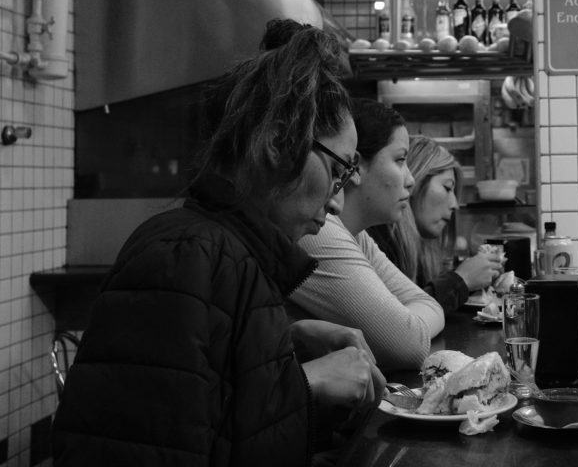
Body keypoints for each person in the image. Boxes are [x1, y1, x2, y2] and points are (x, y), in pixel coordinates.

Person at [52, 27, 385, 466]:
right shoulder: (184, 253)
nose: (339, 201)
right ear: (276, 143)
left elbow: (204, 404)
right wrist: (303, 385)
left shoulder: (233, 254)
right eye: (339, 171)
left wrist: (287, 348)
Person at [288, 99, 445, 370]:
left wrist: (410, 323)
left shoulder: (354, 234)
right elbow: (408, 345)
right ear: (356, 166)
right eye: (400, 160)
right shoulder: (317, 231)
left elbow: (427, 304)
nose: (410, 179)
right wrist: (409, 323)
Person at [369, 135, 502, 312]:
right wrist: (461, 280)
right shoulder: (380, 243)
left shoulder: (417, 254)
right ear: (414, 181)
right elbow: (399, 320)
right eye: (447, 188)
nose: (454, 204)